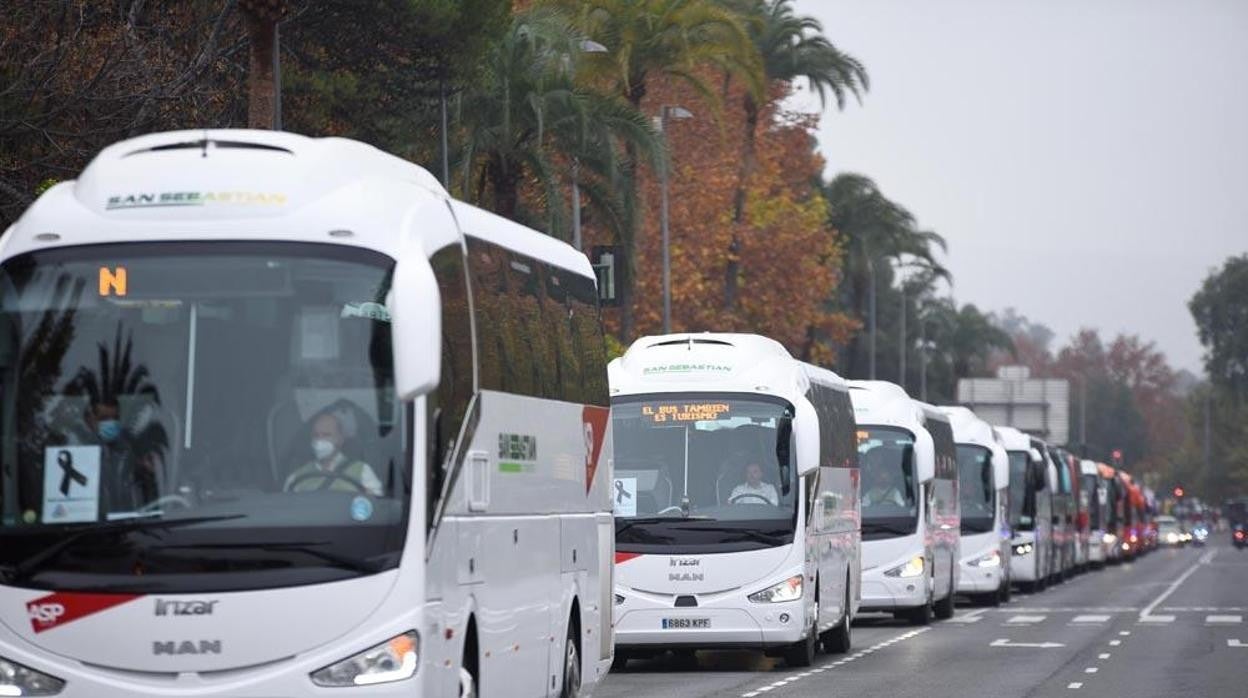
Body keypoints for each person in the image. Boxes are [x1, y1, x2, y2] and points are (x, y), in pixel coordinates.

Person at [284, 412, 383, 496]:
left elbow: (376, 507)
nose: (320, 440)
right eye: (316, 435)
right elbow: (288, 510)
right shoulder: (296, 478)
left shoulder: (362, 471)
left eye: (326, 435)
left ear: (340, 439)